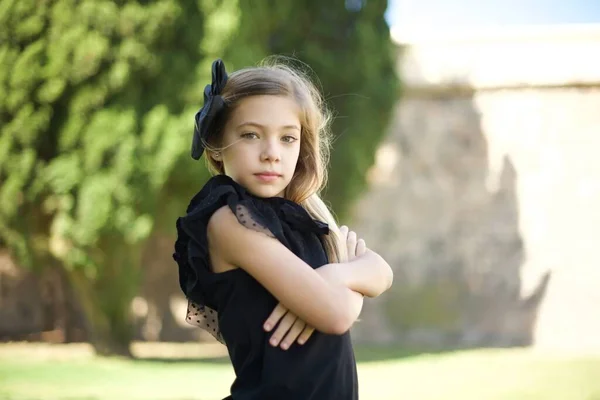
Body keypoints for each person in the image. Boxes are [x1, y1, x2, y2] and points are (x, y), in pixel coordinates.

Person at [173, 57, 394, 400]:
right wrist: (347, 278)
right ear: (217, 146)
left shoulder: (300, 215)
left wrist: (334, 279)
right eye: (250, 135)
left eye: (288, 138)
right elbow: (336, 315)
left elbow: (381, 272)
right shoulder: (228, 220)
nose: (271, 153)